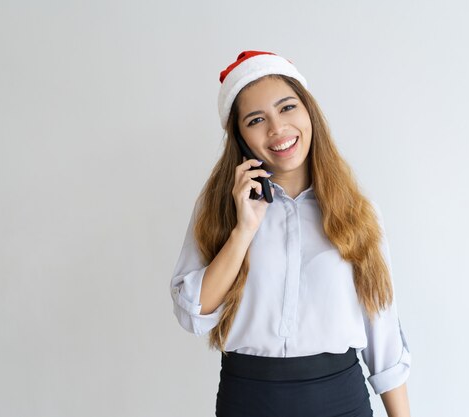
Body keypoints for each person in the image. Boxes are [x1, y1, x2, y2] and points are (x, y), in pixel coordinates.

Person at [170, 50, 412, 417]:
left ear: (308, 111)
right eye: (256, 119)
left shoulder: (357, 213)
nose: (277, 129)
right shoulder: (220, 208)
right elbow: (193, 313)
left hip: (341, 401)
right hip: (247, 401)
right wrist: (244, 229)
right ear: (240, 136)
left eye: (287, 108)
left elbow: (385, 338)